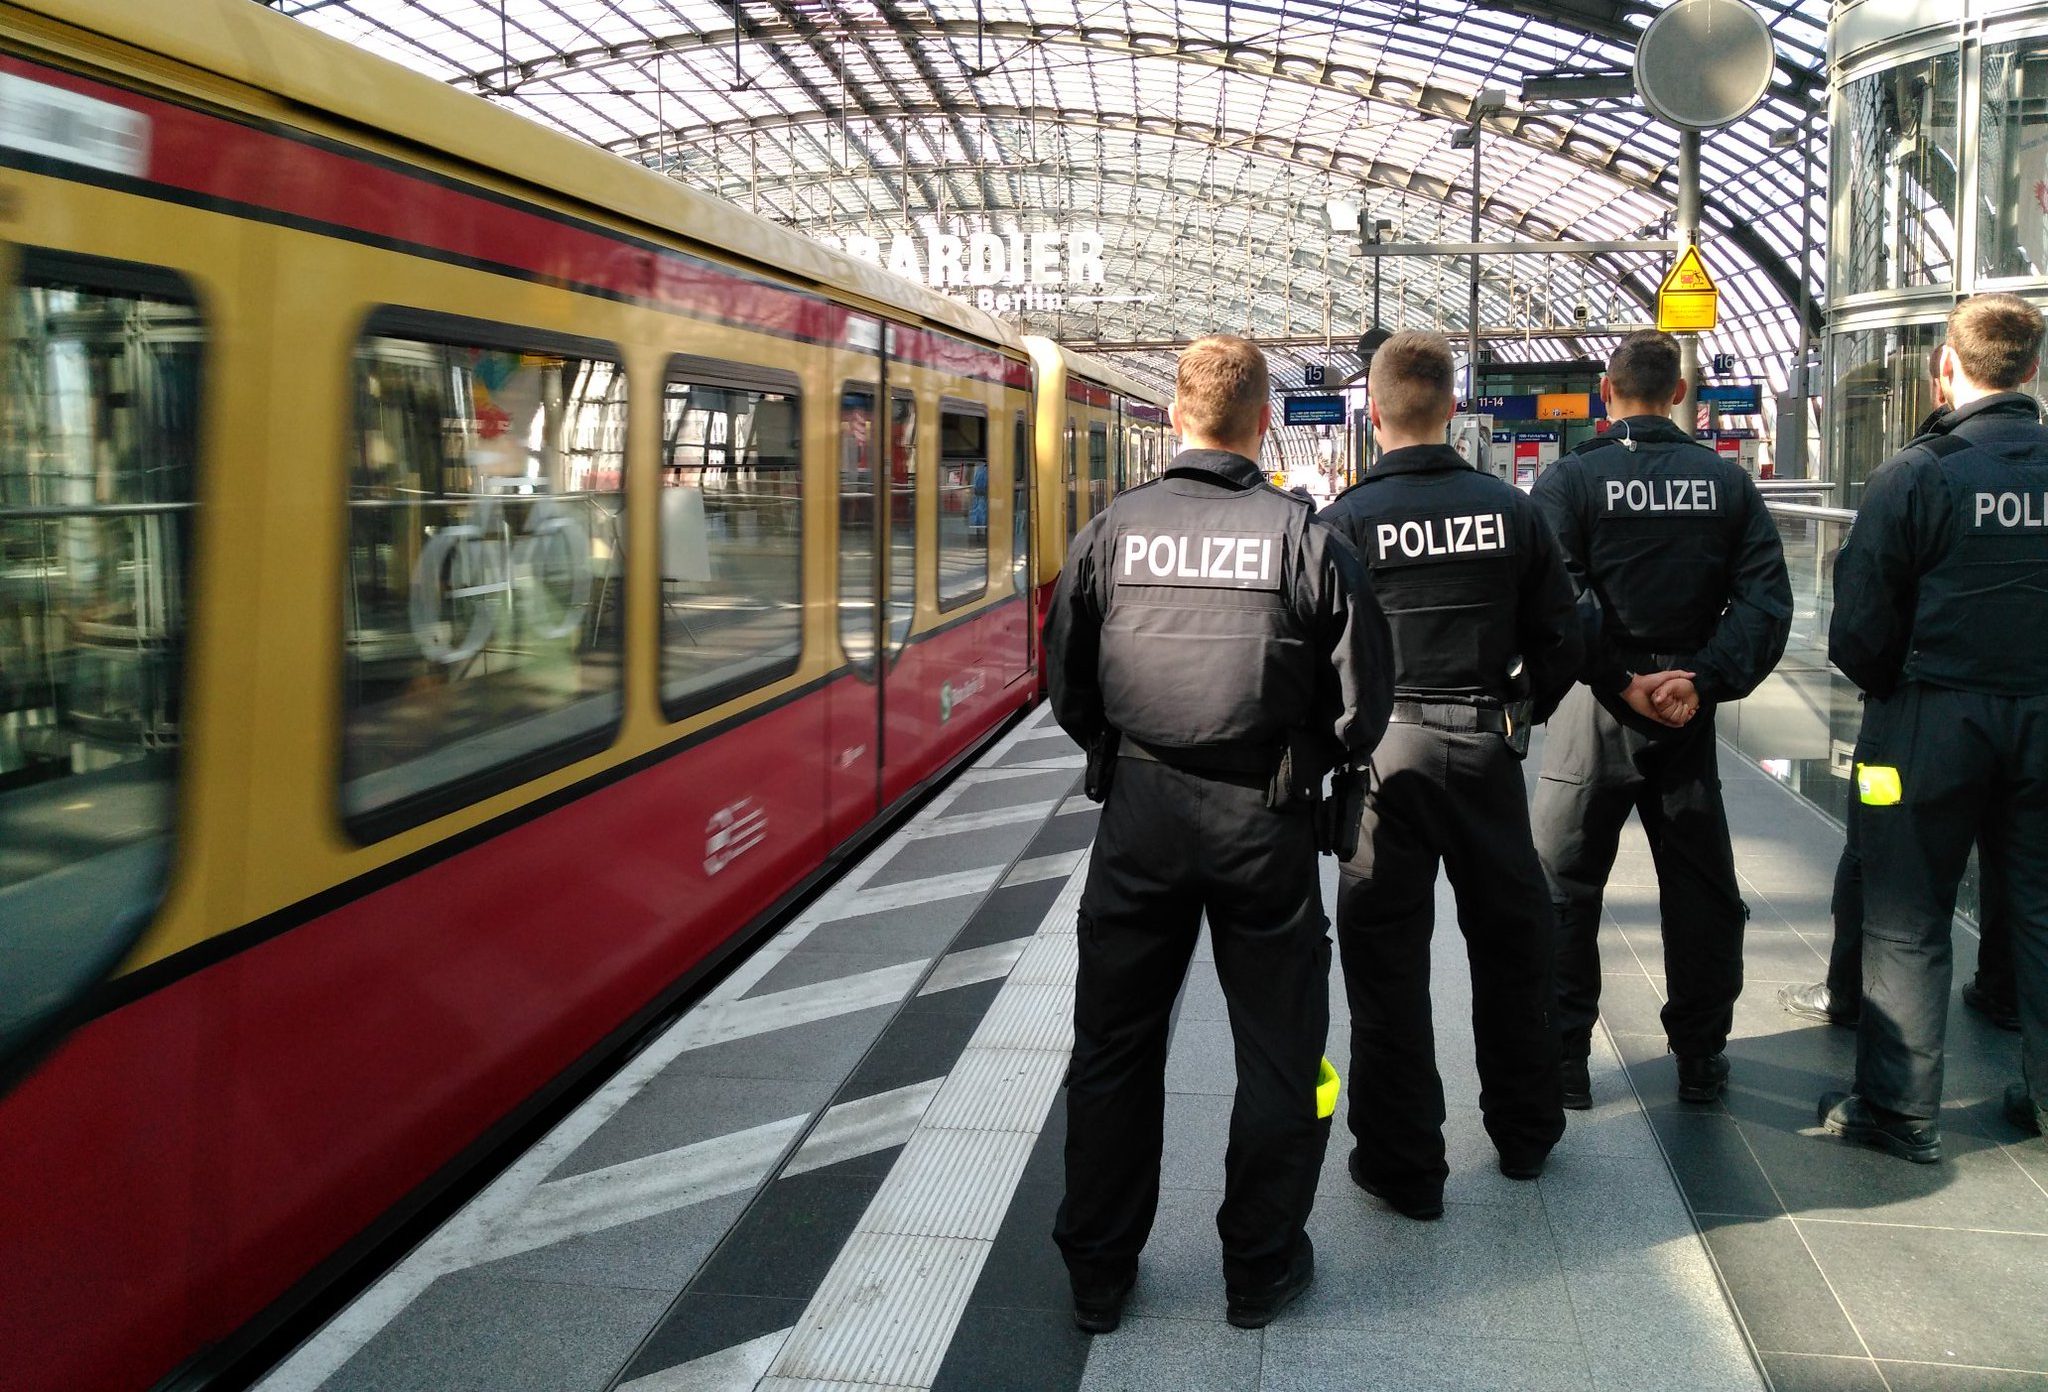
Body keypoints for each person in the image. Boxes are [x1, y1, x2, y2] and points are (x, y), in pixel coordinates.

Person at [1045, 333, 1394, 1333]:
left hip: (1140, 820)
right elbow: (1361, 701)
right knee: (1283, 1053)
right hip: (1266, 822)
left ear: (1172, 415)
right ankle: (1258, 1266)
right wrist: (1301, 758)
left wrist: (1124, 749)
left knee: (1112, 1048)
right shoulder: (1305, 537)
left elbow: (1064, 684)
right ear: (1261, 421)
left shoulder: (1110, 532)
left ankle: (1098, 1276)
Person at [1316, 330, 1584, 1219]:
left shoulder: (1345, 522)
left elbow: (1312, 657)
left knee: (1386, 963)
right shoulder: (1509, 510)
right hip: (1483, 751)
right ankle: (1524, 1137)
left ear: (1373, 412)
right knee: (1513, 947)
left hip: (1383, 764)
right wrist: (1522, 711)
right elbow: (1563, 635)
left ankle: (1404, 1167)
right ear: (1455, 409)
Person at [1528, 329, 1792, 1109]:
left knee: (1565, 885)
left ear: (1606, 394)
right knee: (1699, 886)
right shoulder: (1727, 484)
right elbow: (1766, 602)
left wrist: (1619, 679)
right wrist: (1700, 682)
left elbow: (1557, 600)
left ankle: (1566, 1060)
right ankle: (1702, 1058)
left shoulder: (1571, 484)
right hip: (1685, 711)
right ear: (1680, 394)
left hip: (1594, 708)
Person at [1817, 292, 2048, 1162]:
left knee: (1906, 913)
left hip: (1928, 723)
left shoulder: (1917, 473)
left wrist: (1898, 694)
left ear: (1943, 368)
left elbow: (1860, 629)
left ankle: (1901, 1111)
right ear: (2032, 370)